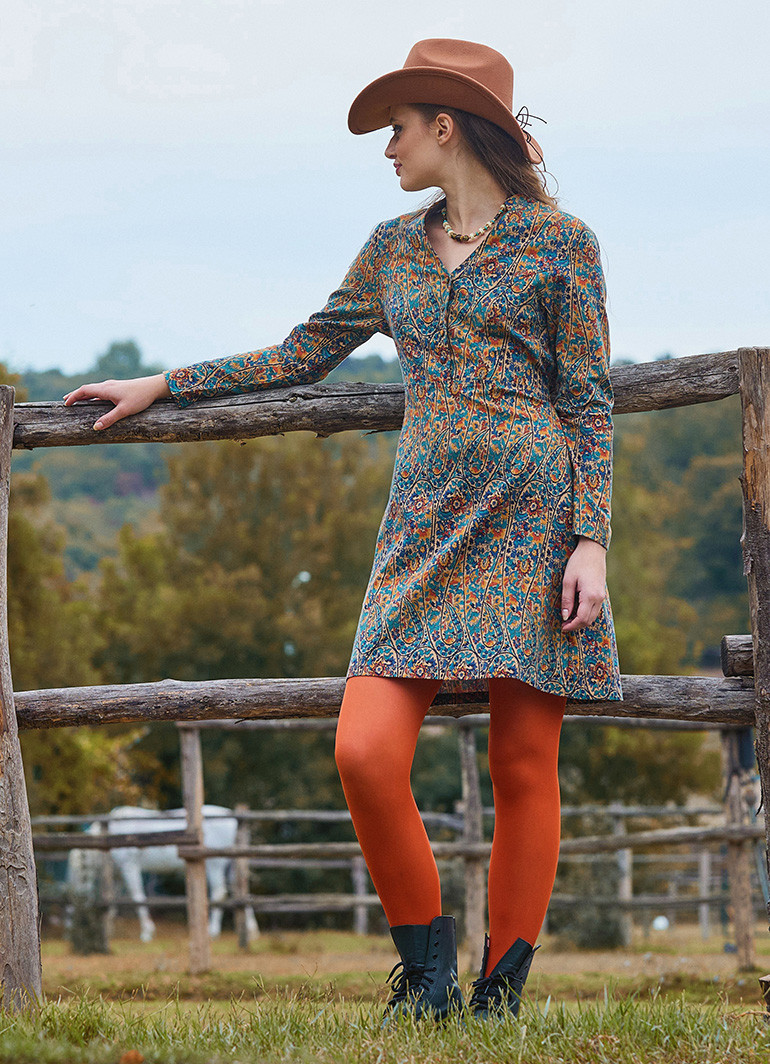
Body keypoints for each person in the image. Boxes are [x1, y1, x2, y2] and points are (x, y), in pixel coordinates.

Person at [64, 38, 623, 1023]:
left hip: (534, 524)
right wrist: (164, 383)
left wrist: (591, 540)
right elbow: (303, 351)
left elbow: (585, 402)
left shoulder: (562, 244)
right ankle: (427, 979)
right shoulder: (391, 247)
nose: (387, 148)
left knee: (523, 763)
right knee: (364, 751)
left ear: (444, 127)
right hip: (421, 526)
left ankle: (497, 996)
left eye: (396, 129)